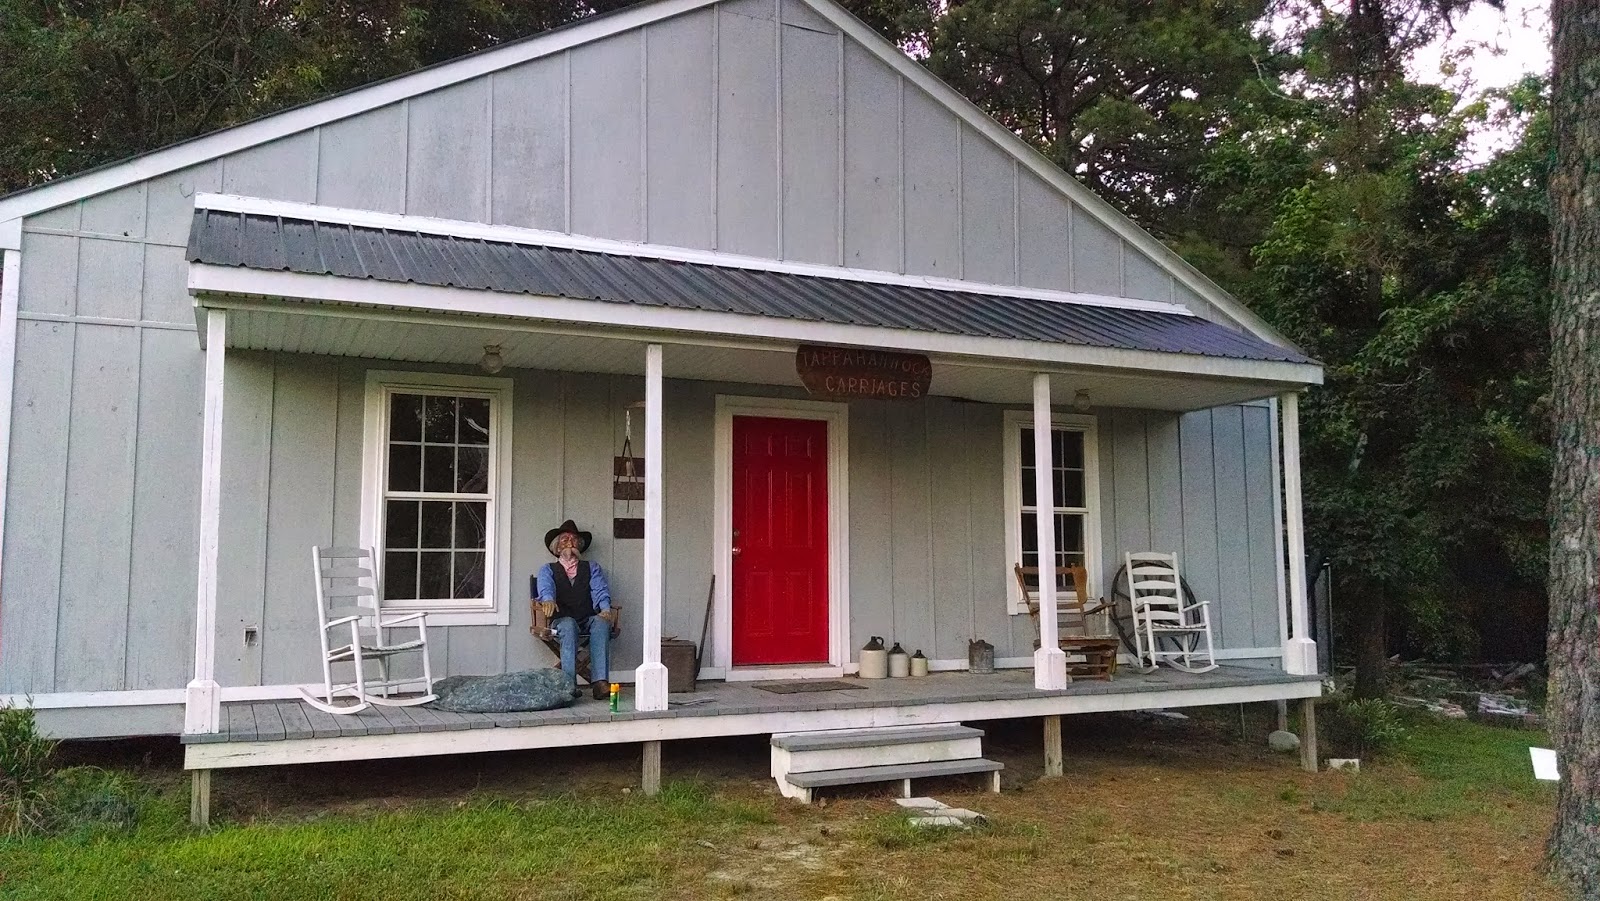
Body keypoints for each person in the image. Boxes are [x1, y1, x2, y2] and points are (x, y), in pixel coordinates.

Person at [532, 520, 617, 700]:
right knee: (568, 626)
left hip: (587, 618)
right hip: (562, 620)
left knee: (601, 623)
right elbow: (546, 587)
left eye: (573, 539)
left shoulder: (591, 567)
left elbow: (600, 589)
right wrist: (547, 600)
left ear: (579, 545)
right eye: (564, 539)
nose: (570, 542)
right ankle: (569, 684)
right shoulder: (548, 569)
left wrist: (605, 608)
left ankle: (600, 683)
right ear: (556, 547)